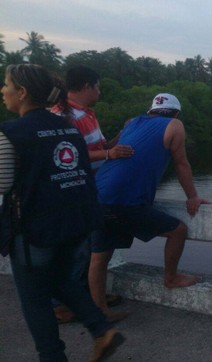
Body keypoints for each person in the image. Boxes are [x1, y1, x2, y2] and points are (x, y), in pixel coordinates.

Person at [0, 64, 124, 362]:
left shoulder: (12, 132)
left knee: (35, 300)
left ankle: (53, 357)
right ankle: (101, 329)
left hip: (37, 229)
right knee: (59, 279)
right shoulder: (67, 126)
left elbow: (3, 183)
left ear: (23, 92)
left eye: (6, 84)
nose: (3, 91)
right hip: (78, 220)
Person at [88, 93, 209, 318]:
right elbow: (181, 163)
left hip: (97, 195)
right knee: (177, 231)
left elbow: (110, 146)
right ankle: (171, 278)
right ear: (176, 112)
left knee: (99, 257)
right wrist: (192, 196)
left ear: (151, 110)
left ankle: (99, 313)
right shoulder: (175, 125)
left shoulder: (131, 122)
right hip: (123, 200)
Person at [50, 65, 133, 323]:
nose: (99, 91)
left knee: (89, 247)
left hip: (92, 191)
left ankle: (87, 295)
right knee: (75, 250)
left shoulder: (87, 114)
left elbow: (102, 146)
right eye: (97, 87)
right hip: (73, 192)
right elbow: (64, 155)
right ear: (86, 86)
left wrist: (123, 133)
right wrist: (109, 154)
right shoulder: (62, 116)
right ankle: (61, 305)